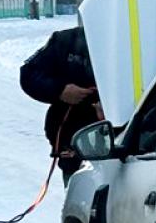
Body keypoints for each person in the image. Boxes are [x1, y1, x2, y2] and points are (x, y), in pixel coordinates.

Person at [19, 26, 102, 184]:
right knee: (80, 203)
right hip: (74, 152)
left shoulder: (133, 40)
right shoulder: (66, 41)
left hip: (127, 150)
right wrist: (60, 90)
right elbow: (29, 74)